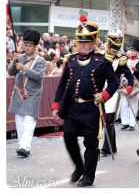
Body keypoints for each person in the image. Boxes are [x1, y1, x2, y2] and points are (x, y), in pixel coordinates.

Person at [51, 15, 119, 187]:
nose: (82, 44)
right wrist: (56, 104)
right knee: (68, 137)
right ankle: (79, 167)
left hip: (91, 109)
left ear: (94, 42)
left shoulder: (103, 61)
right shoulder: (70, 60)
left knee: (91, 143)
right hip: (73, 108)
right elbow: (61, 85)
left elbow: (114, 83)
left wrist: (103, 95)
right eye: (80, 40)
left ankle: (89, 176)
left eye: (87, 41)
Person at [7, 29, 46, 158]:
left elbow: (39, 76)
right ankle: (22, 146)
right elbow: (11, 72)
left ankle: (25, 147)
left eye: (30, 45)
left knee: (29, 120)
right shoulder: (20, 57)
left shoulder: (40, 60)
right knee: (19, 120)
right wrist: (14, 62)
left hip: (32, 94)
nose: (27, 47)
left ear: (35, 46)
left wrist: (25, 68)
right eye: (25, 45)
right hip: (19, 92)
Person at [100, 30, 134, 157]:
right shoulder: (100, 57)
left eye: (116, 50)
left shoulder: (121, 60)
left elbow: (130, 76)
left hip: (113, 91)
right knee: (105, 119)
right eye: (113, 50)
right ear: (108, 47)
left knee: (109, 119)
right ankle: (112, 146)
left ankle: (105, 148)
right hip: (100, 90)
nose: (115, 52)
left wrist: (129, 88)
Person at [120, 39, 139, 131]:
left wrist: (136, 69)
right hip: (125, 83)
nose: (132, 51)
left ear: (137, 52)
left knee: (133, 104)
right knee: (124, 104)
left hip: (135, 84)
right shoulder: (125, 60)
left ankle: (132, 123)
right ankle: (125, 122)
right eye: (131, 50)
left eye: (134, 50)